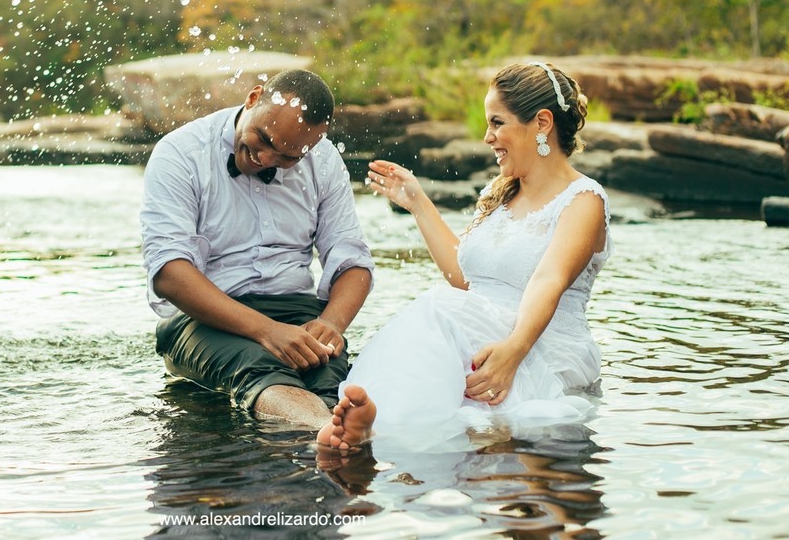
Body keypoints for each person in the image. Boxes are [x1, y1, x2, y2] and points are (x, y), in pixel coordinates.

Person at [319, 61, 611, 452]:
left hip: (542, 346)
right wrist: (418, 203)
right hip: (484, 336)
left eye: (497, 123)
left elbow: (550, 279)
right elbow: (465, 278)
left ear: (542, 123)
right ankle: (374, 428)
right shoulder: (501, 194)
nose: (488, 137)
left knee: (439, 311)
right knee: (441, 313)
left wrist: (512, 351)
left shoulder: (583, 200)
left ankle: (377, 430)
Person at [141, 69, 375, 431]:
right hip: (200, 318)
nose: (265, 159)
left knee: (332, 381)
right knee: (257, 367)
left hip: (296, 309)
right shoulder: (179, 154)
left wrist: (331, 323)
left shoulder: (324, 160)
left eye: (287, 158)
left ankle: (335, 437)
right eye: (262, 139)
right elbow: (170, 274)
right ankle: (328, 432)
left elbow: (352, 260)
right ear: (253, 99)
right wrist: (268, 332)